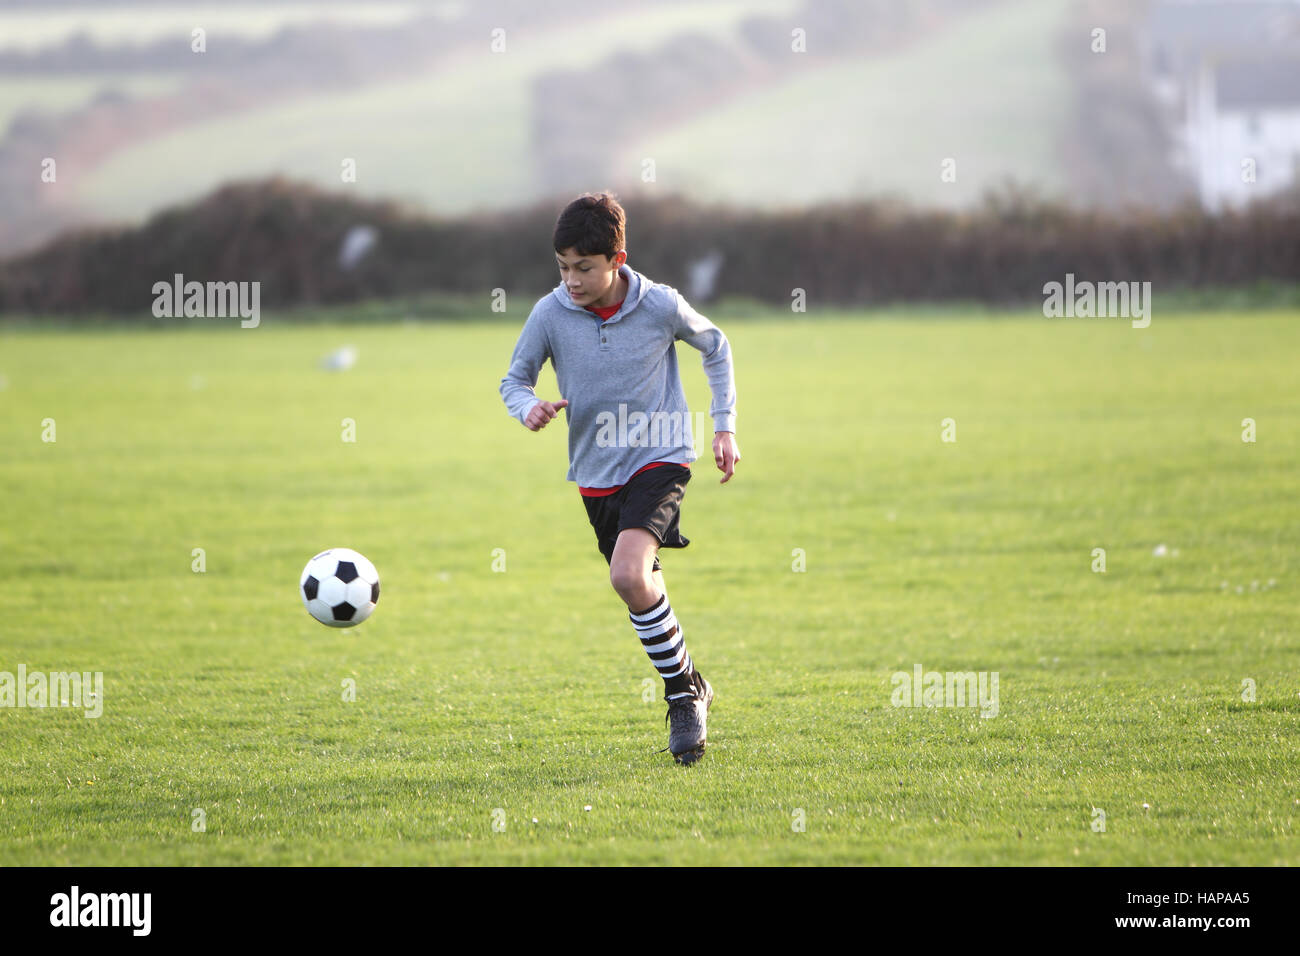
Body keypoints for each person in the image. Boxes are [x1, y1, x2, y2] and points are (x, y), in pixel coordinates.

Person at [498, 191, 740, 765]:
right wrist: (526, 407)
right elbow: (514, 379)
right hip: (596, 474)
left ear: (617, 258)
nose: (572, 280)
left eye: (584, 268)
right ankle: (691, 682)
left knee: (627, 574)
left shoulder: (660, 305)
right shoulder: (549, 313)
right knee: (639, 585)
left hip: (661, 457)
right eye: (563, 267)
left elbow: (717, 346)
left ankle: (681, 697)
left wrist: (724, 427)